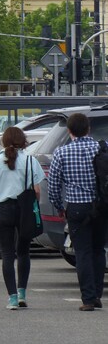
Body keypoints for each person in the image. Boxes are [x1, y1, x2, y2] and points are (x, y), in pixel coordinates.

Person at [0, 126, 45, 310]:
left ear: (4, 141)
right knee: (23, 251)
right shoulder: (31, 161)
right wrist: (33, 205)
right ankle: (23, 292)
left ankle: (13, 298)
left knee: (7, 254)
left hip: (3, 209)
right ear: (23, 141)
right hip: (24, 210)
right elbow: (37, 190)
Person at [48, 113, 107, 311]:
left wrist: (59, 207)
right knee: (99, 250)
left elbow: (54, 186)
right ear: (88, 129)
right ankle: (97, 294)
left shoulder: (61, 153)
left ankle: (88, 298)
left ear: (69, 131)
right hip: (100, 206)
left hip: (76, 208)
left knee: (82, 252)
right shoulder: (102, 148)